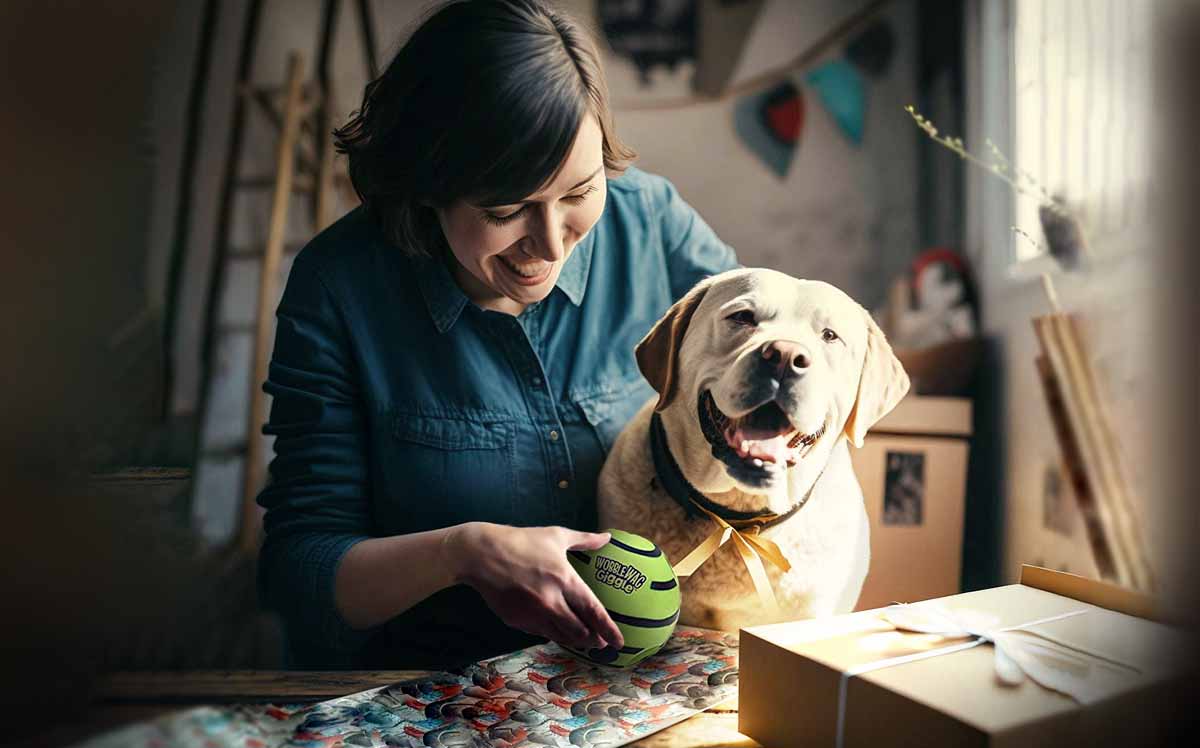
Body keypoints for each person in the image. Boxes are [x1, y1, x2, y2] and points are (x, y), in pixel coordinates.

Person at [257, 0, 739, 670]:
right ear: (428, 187)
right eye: (506, 209)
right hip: (428, 690)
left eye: (579, 192)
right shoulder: (340, 288)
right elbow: (300, 576)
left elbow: (762, 349)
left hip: (641, 685)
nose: (549, 244)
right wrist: (463, 553)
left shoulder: (653, 226)